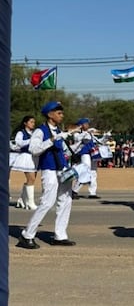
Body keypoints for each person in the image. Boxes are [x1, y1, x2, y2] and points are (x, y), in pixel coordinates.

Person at [18, 101, 79, 249]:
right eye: (59, 113)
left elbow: (64, 150)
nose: (62, 116)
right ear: (50, 114)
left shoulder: (59, 131)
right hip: (49, 170)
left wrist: (80, 143)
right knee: (47, 202)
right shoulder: (41, 131)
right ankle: (27, 235)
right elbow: (34, 149)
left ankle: (60, 235)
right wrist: (51, 140)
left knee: (66, 201)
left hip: (62, 170)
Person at [10, 115, 38, 210]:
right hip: (25, 157)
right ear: (25, 123)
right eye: (31, 122)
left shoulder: (34, 133)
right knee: (31, 179)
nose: (33, 124)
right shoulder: (21, 132)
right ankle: (30, 202)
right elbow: (19, 143)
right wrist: (31, 140)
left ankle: (22, 200)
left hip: (34, 157)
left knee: (32, 179)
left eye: (34, 122)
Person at [71, 118, 101, 199]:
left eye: (88, 123)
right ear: (81, 125)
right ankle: (74, 190)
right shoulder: (77, 133)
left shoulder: (90, 134)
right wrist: (86, 132)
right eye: (86, 123)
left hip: (92, 154)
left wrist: (105, 137)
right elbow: (77, 139)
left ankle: (92, 192)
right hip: (84, 153)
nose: (87, 125)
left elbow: (98, 141)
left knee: (93, 173)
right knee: (85, 171)